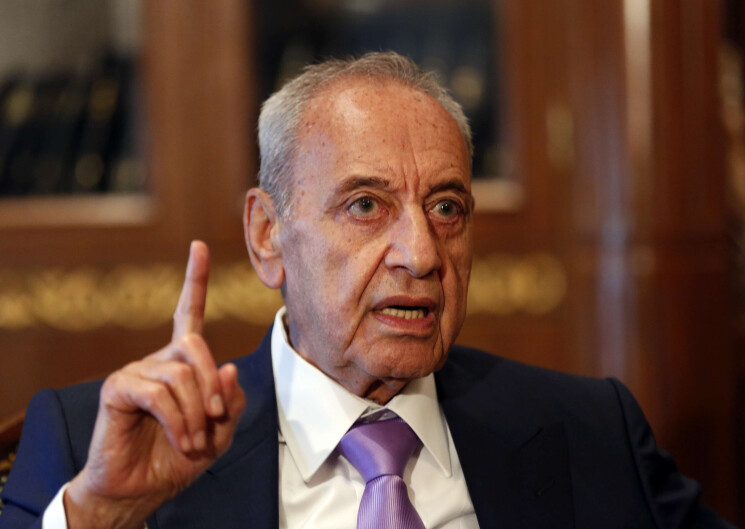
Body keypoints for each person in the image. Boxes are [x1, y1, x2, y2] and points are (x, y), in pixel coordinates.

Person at [0, 52, 737, 529]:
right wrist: (100, 515)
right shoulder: (93, 448)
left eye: (445, 206)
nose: (421, 254)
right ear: (267, 235)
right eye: (365, 205)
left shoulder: (589, 429)